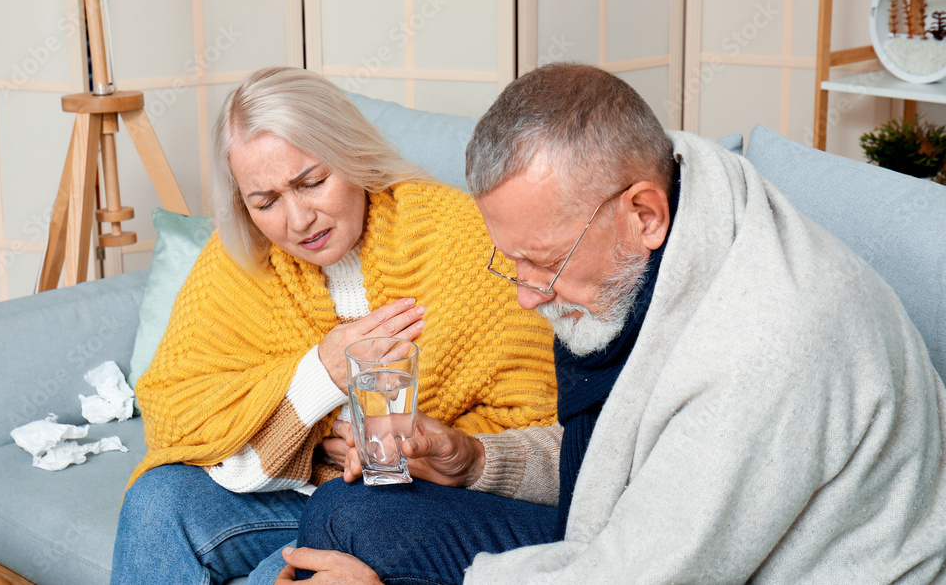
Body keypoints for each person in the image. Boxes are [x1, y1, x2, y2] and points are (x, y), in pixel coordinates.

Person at [283, 62, 946, 583]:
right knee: (347, 508)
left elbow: (642, 572)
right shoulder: (670, 217)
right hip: (670, 542)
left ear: (644, 215)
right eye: (512, 261)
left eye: (542, 262)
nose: (525, 296)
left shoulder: (765, 345)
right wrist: (479, 460)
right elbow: (634, 453)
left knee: (351, 530)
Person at [109, 67, 559, 585]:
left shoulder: (459, 239)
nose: (298, 220)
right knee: (157, 500)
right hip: (285, 490)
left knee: (286, 565)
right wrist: (319, 375)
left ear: (353, 155)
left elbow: (535, 420)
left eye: (312, 183)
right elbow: (174, 412)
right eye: (266, 201)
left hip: (390, 506)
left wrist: (414, 452)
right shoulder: (237, 258)